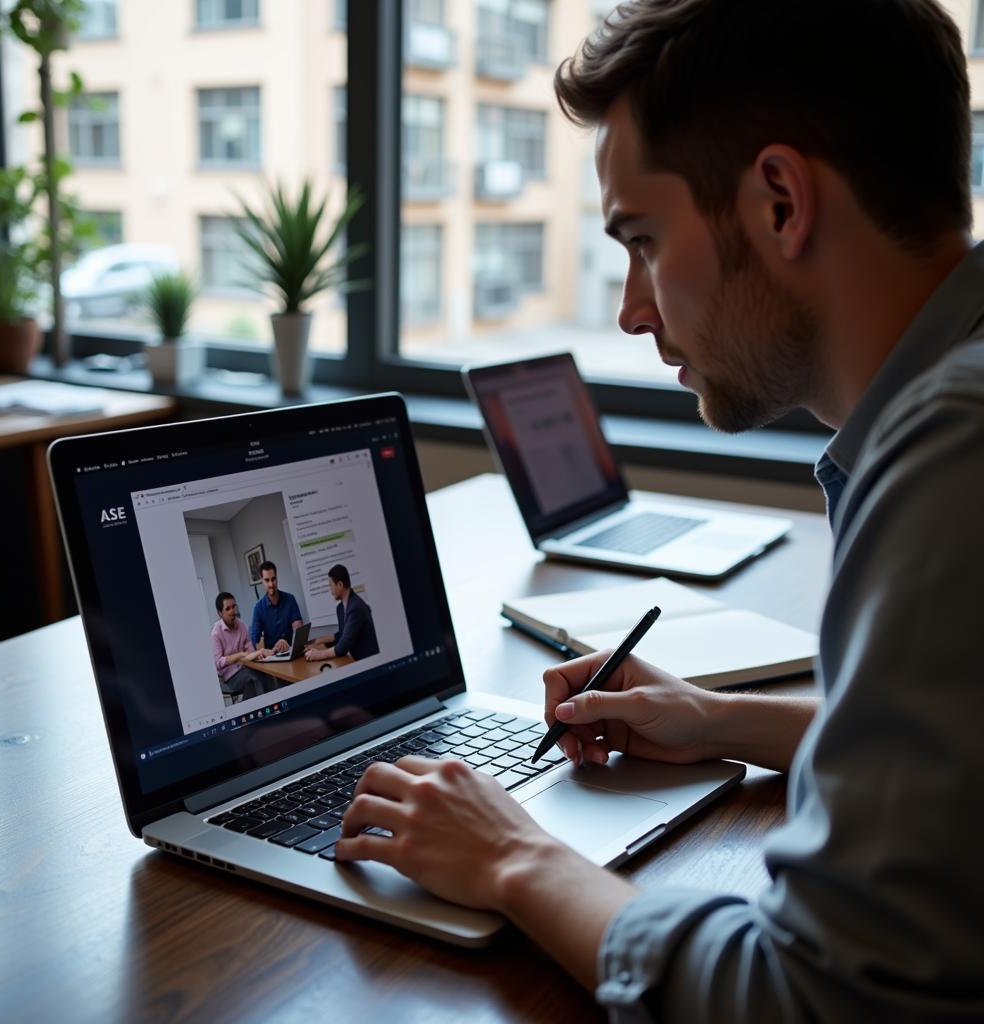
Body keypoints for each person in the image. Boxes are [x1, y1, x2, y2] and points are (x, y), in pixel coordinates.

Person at [332, 1, 984, 1019]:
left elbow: (812, 997)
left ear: (778, 201)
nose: (632, 308)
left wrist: (515, 859)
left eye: (641, 239)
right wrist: (722, 720)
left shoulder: (954, 455)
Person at [305, 563, 379, 662]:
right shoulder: (341, 608)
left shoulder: (355, 608)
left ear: (340, 585)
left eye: (331, 585)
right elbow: (342, 634)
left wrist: (319, 654)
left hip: (369, 660)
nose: (330, 590)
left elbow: (344, 644)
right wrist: (317, 641)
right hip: (355, 659)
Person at [211, 592, 277, 700]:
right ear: (220, 613)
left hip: (246, 666)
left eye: (234, 607)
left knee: (268, 674)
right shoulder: (216, 634)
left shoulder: (241, 625)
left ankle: (275, 705)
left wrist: (257, 655)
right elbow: (218, 663)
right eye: (228, 609)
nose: (233, 611)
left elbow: (249, 649)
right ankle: (258, 709)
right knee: (254, 679)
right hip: (230, 677)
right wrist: (240, 655)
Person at [249, 560, 303, 654]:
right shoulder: (258, 608)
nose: (271, 584)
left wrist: (286, 641)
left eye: (273, 579)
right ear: (262, 581)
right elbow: (256, 642)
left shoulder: (290, 599)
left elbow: (299, 631)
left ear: (277, 578)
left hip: (290, 652)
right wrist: (269, 649)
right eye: (267, 580)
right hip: (271, 656)